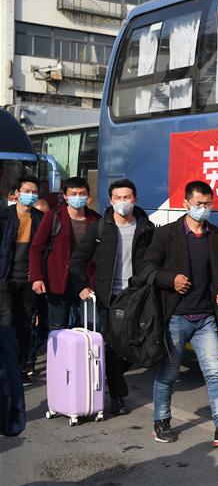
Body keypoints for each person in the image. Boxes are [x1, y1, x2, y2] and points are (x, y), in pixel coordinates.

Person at [143, 180, 218, 447]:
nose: (203, 209)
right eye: (199, 204)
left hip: (205, 317)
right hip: (176, 316)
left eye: (208, 204)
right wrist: (171, 279)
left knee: (215, 372)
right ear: (186, 204)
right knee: (169, 373)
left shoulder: (215, 234)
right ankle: (161, 422)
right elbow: (147, 269)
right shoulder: (167, 234)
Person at [70, 178, 154, 416]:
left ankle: (111, 376)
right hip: (109, 298)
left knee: (139, 345)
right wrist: (82, 286)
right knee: (114, 347)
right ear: (110, 200)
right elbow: (77, 260)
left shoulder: (146, 227)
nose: (122, 202)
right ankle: (118, 396)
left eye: (127, 197)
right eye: (117, 198)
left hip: (137, 297)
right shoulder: (101, 227)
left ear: (135, 199)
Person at [30, 177, 101, 332]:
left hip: (86, 283)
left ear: (88, 196)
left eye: (82, 194)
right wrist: (37, 278)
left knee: (90, 327)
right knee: (57, 328)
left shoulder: (96, 220)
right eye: (73, 194)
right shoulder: (53, 216)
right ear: (65, 196)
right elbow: (36, 249)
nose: (78, 197)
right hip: (58, 282)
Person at [0, 176, 44, 385]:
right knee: (7, 323)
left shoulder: (40, 218)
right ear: (17, 193)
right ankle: (6, 367)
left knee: (25, 325)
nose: (31, 195)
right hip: (5, 279)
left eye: (34, 192)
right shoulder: (4, 216)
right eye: (27, 191)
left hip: (29, 281)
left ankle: (20, 368)